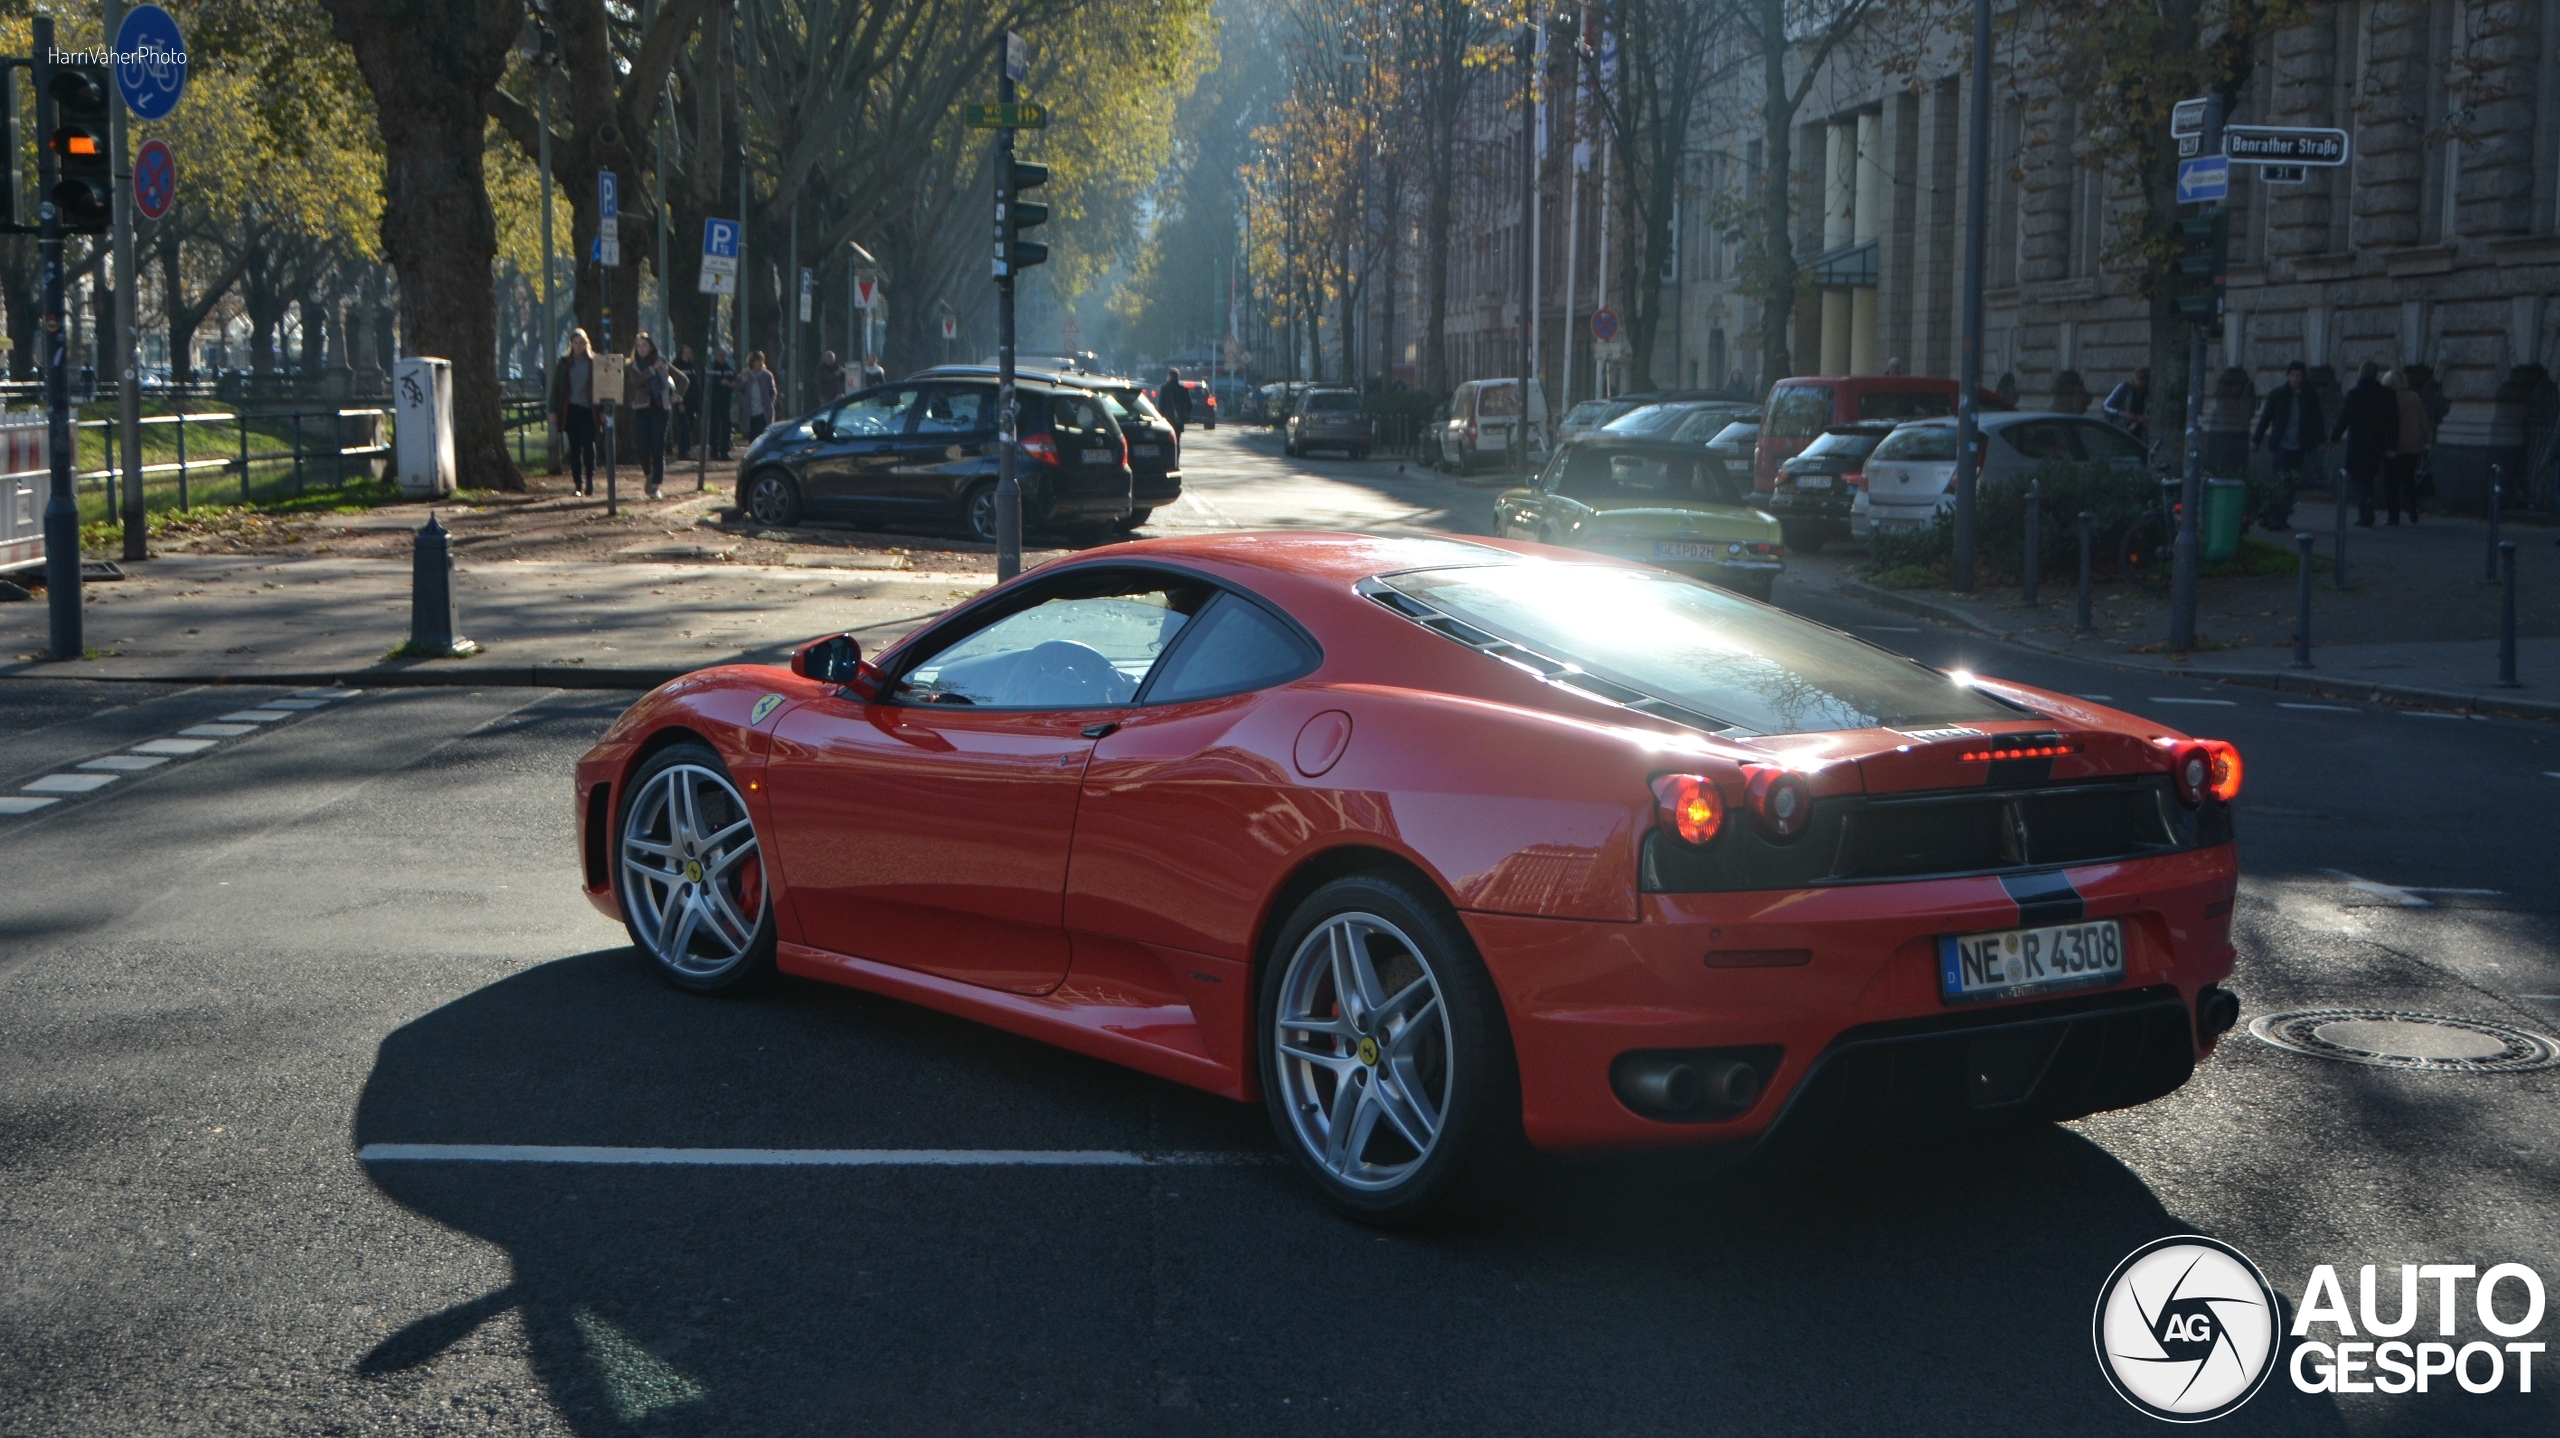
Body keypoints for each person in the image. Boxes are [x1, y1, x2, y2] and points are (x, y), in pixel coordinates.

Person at [2249, 359, 2323, 530]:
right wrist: (2256, 440)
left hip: (2299, 445)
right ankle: (2276, 517)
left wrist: (2321, 441)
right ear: (2288, 376)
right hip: (2281, 445)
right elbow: (2266, 418)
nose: (2296, 378)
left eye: (2299, 375)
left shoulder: (2309, 396)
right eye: (2293, 375)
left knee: (2291, 485)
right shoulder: (2278, 394)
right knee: (2279, 481)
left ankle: (2283, 516)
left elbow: (2317, 419)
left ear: (2303, 377)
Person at [2330, 360, 2398, 527]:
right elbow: (2394, 422)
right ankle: (2365, 514)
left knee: (2353, 475)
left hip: (2357, 443)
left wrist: (2334, 437)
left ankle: (2366, 503)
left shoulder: (2354, 394)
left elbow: (2344, 417)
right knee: (2368, 476)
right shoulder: (2387, 394)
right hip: (2377, 443)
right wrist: (2392, 445)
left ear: (2360, 374)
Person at [627, 333, 681, 499]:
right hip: (642, 409)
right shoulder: (632, 365)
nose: (642, 348)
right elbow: (637, 381)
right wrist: (652, 369)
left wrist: (677, 395)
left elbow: (683, 379)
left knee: (658, 446)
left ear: (650, 346)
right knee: (643, 447)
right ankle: (648, 475)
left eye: (644, 345)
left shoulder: (662, 361)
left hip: (660, 408)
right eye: (639, 346)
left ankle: (656, 484)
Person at [548, 327, 598, 496]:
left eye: (582, 343)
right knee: (575, 448)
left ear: (586, 344)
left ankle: (590, 480)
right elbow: (556, 387)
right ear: (571, 344)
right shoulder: (564, 363)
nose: (579, 346)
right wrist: (553, 410)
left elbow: (602, 387)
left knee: (588, 444)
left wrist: (603, 410)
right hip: (571, 410)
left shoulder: (594, 362)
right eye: (576, 343)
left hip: (589, 410)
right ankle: (578, 484)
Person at [2382, 367, 2431, 526]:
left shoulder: (2388, 397)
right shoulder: (2414, 397)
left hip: (2393, 446)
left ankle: (2393, 516)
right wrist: (2426, 440)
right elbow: (2424, 421)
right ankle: (2412, 510)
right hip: (2412, 446)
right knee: (2408, 479)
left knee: (2391, 482)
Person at [734, 350, 777, 442]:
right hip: (749, 412)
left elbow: (773, 391)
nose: (760, 363)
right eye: (757, 361)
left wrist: (770, 403)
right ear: (752, 362)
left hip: (763, 411)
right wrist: (744, 381)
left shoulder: (767, 375)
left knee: (762, 436)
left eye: (761, 361)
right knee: (752, 437)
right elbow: (737, 387)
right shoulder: (745, 374)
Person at [2102, 367, 2149, 442]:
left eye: (2145, 381)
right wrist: (2122, 414)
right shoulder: (2125, 389)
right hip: (2122, 433)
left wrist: (2145, 418)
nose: (2141, 383)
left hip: (2142, 437)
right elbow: (2105, 406)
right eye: (2139, 379)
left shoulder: (2149, 395)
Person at [707, 347, 737, 460]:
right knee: (714, 427)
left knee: (726, 427)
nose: (723, 358)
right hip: (714, 402)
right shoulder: (711, 368)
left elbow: (735, 383)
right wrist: (720, 383)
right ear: (715, 356)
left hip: (726, 402)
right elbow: (708, 384)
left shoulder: (729, 369)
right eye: (720, 355)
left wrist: (729, 384)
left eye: (724, 356)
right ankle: (714, 452)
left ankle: (724, 451)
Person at [672, 344, 700, 460]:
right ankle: (682, 452)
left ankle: (687, 450)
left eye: (689, 352)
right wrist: (680, 402)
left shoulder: (692, 366)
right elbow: (675, 386)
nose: (687, 355)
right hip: (681, 401)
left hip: (692, 402)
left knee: (689, 427)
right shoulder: (677, 366)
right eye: (685, 352)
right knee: (683, 426)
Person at [1158, 365, 1192, 436]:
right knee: (1177, 437)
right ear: (1178, 376)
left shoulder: (1164, 389)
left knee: (1168, 438)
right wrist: (1184, 414)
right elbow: (1189, 405)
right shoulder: (1183, 390)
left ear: (1169, 376)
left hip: (1167, 419)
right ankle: (1177, 446)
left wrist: (1160, 417)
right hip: (1179, 419)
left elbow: (1161, 405)